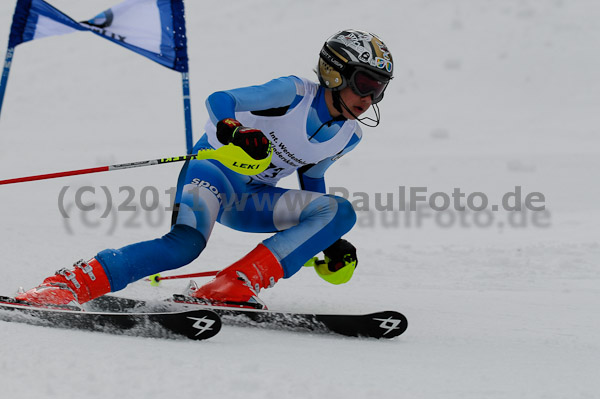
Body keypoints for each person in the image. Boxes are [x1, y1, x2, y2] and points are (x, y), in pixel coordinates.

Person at [17, 29, 394, 309]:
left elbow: (312, 183)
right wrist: (235, 129)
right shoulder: (293, 93)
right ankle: (68, 284)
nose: (368, 98)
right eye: (364, 84)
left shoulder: (349, 135)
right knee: (185, 246)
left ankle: (234, 284)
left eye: (378, 90)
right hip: (211, 173)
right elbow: (220, 100)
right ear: (335, 72)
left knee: (338, 212)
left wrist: (326, 238)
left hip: (253, 201)